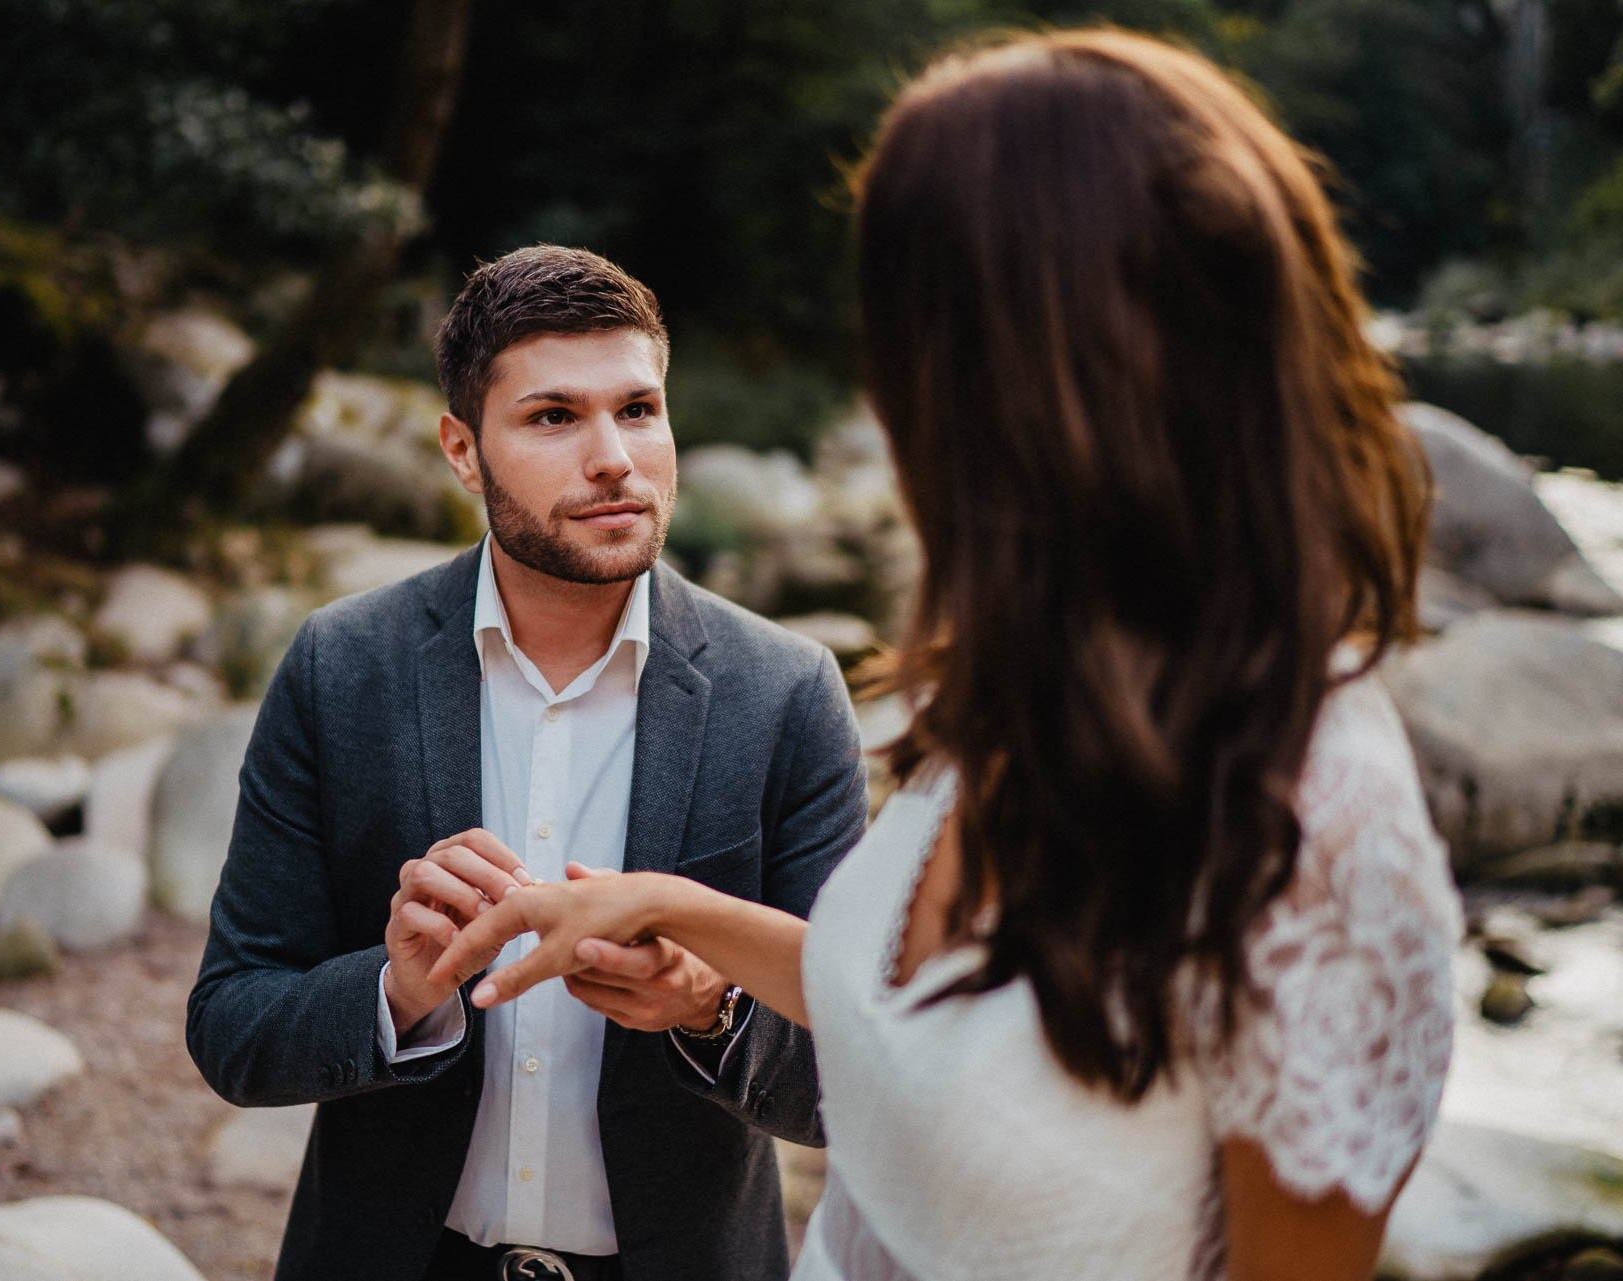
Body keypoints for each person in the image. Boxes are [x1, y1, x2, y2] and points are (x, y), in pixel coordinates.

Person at [431, 31, 1463, 1281]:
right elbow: (941, 1016)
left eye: (913, 334)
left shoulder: (1317, 821)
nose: (889, 391)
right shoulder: (1046, 679)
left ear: (1040, 382)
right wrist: (668, 909)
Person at [185, 244, 869, 1281]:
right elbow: (233, 1023)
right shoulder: (342, 668)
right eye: (555, 417)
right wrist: (396, 991)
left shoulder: (787, 692)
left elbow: (861, 1076)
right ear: (463, 451)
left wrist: (711, 1004)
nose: (615, 458)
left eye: (639, 409)